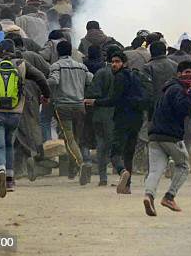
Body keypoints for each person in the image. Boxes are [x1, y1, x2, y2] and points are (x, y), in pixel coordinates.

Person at [0, 39, 50, 197]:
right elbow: (41, 78)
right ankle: (9, 179)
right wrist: (46, 95)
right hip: (15, 113)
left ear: (0, 51)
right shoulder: (22, 64)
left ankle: (1, 169)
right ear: (14, 50)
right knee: (9, 145)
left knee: (0, 147)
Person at [143, 61, 191, 216]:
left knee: (155, 170)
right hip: (170, 136)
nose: (190, 75)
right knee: (184, 166)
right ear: (178, 74)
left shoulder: (166, 89)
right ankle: (169, 196)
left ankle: (149, 195)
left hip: (154, 135)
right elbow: (182, 109)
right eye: (187, 72)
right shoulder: (177, 89)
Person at [85, 51, 143, 194]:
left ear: (124, 63)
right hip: (136, 119)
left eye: (117, 61)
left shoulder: (118, 77)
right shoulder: (135, 76)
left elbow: (113, 99)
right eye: (113, 61)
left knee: (112, 151)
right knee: (128, 153)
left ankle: (119, 172)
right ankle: (126, 186)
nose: (114, 64)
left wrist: (95, 102)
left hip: (118, 118)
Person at [47, 41, 94, 185]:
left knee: (69, 138)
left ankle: (81, 164)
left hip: (63, 106)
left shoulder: (56, 66)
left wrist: (43, 84)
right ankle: (74, 168)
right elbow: (91, 79)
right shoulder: (81, 66)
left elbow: (54, 81)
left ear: (58, 52)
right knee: (77, 138)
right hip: (80, 106)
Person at [85, 45, 120, 186]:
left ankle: (103, 178)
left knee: (101, 145)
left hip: (100, 114)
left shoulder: (100, 73)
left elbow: (92, 93)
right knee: (116, 146)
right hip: (116, 115)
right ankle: (121, 173)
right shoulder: (123, 74)